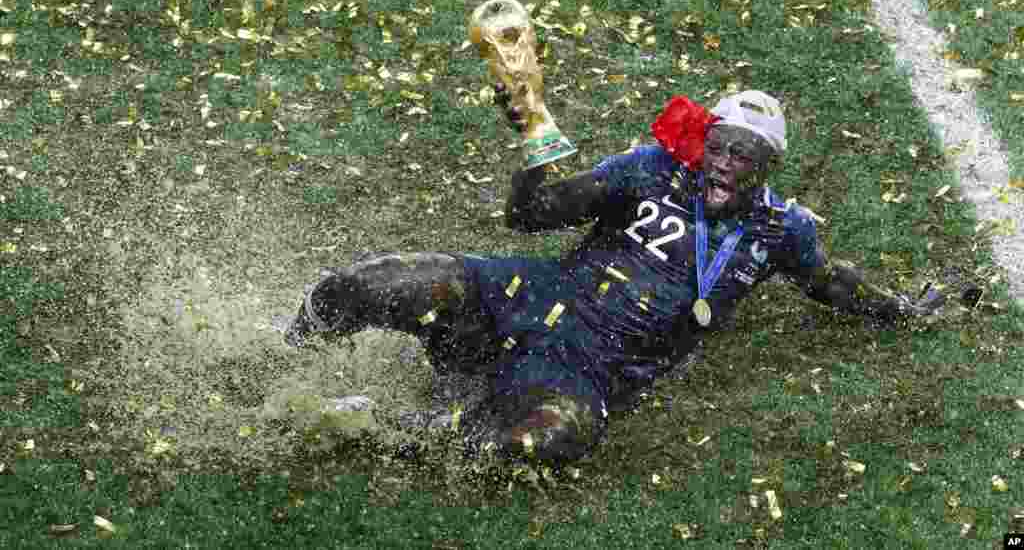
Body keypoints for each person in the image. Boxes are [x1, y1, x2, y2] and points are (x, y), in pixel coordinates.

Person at [283, 87, 945, 465]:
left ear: (767, 164)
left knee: (551, 437)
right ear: (703, 141)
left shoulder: (779, 231)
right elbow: (531, 214)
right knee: (381, 281)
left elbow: (832, 281)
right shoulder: (649, 167)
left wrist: (903, 310)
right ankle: (283, 344)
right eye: (718, 146)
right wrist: (535, 144)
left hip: (596, 365)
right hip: (529, 295)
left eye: (743, 156)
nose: (723, 163)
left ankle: (391, 427)